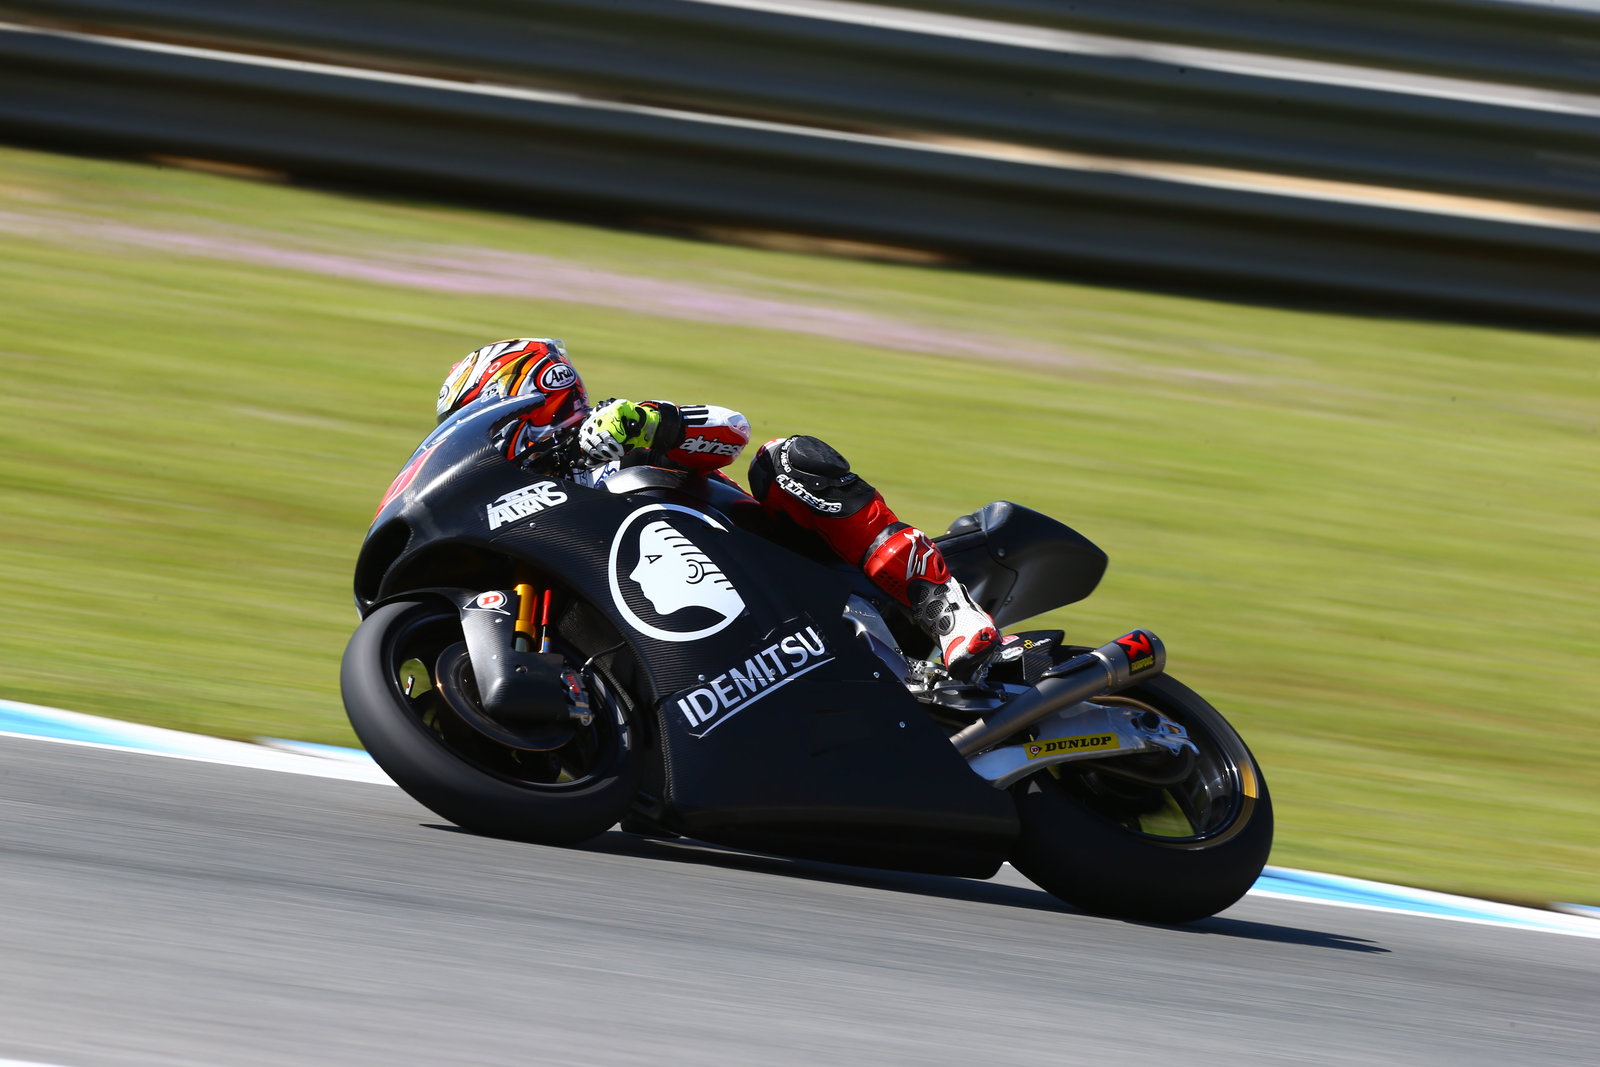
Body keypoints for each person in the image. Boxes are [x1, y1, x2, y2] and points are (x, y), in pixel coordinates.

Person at [435, 337, 1000, 677]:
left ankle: (945, 608)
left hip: (777, 570)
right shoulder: (525, 504)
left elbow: (733, 430)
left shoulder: (612, 428)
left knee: (783, 461)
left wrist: (647, 423)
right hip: (700, 635)